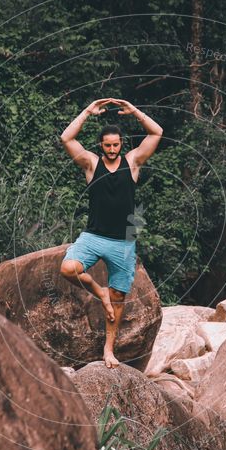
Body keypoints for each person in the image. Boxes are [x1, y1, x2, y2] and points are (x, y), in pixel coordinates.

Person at [59, 98, 163, 368]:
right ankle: (98, 291)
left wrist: (135, 110)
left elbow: (156, 133)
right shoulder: (92, 165)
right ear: (101, 146)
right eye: (108, 145)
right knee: (69, 269)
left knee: (118, 300)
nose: (113, 149)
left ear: (121, 145)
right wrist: (86, 111)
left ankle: (108, 350)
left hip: (123, 243)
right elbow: (66, 138)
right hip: (93, 237)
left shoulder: (133, 162)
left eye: (116, 145)